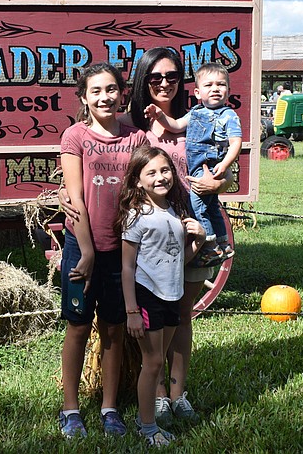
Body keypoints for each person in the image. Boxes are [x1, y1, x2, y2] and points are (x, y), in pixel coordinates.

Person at [61, 47, 232, 425]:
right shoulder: (124, 128)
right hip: (128, 241)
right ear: (141, 82)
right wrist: (67, 197)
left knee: (172, 317)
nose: (164, 83)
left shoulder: (192, 121)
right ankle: (141, 397)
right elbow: (87, 179)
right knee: (118, 321)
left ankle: (169, 397)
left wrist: (218, 183)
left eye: (172, 76)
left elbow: (221, 167)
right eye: (155, 77)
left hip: (178, 232)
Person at [57, 62, 148, 439]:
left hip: (121, 252)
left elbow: (143, 191)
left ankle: (110, 409)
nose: (104, 97)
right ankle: (70, 409)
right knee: (78, 327)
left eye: (111, 89)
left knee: (113, 328)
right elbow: (75, 197)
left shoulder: (136, 138)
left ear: (122, 93)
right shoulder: (75, 136)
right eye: (95, 91)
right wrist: (88, 251)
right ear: (83, 97)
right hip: (81, 249)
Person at [118, 145, 206, 447]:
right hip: (147, 296)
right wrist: (131, 310)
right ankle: (147, 428)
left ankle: (149, 420)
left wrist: (198, 241)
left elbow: (177, 260)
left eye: (165, 170)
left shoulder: (172, 211)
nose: (160, 177)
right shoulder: (136, 216)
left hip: (172, 295)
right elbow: (127, 267)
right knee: (153, 361)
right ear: (138, 180)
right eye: (151, 173)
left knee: (158, 358)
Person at [146, 62, 242, 267]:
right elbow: (175, 125)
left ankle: (210, 244)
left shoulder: (228, 115)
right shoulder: (195, 112)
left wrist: (224, 165)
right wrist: (160, 116)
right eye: (209, 85)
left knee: (197, 206)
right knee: (212, 208)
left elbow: (236, 143)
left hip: (209, 165)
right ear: (197, 92)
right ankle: (223, 243)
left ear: (228, 90)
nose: (215, 89)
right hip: (196, 164)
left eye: (221, 85)